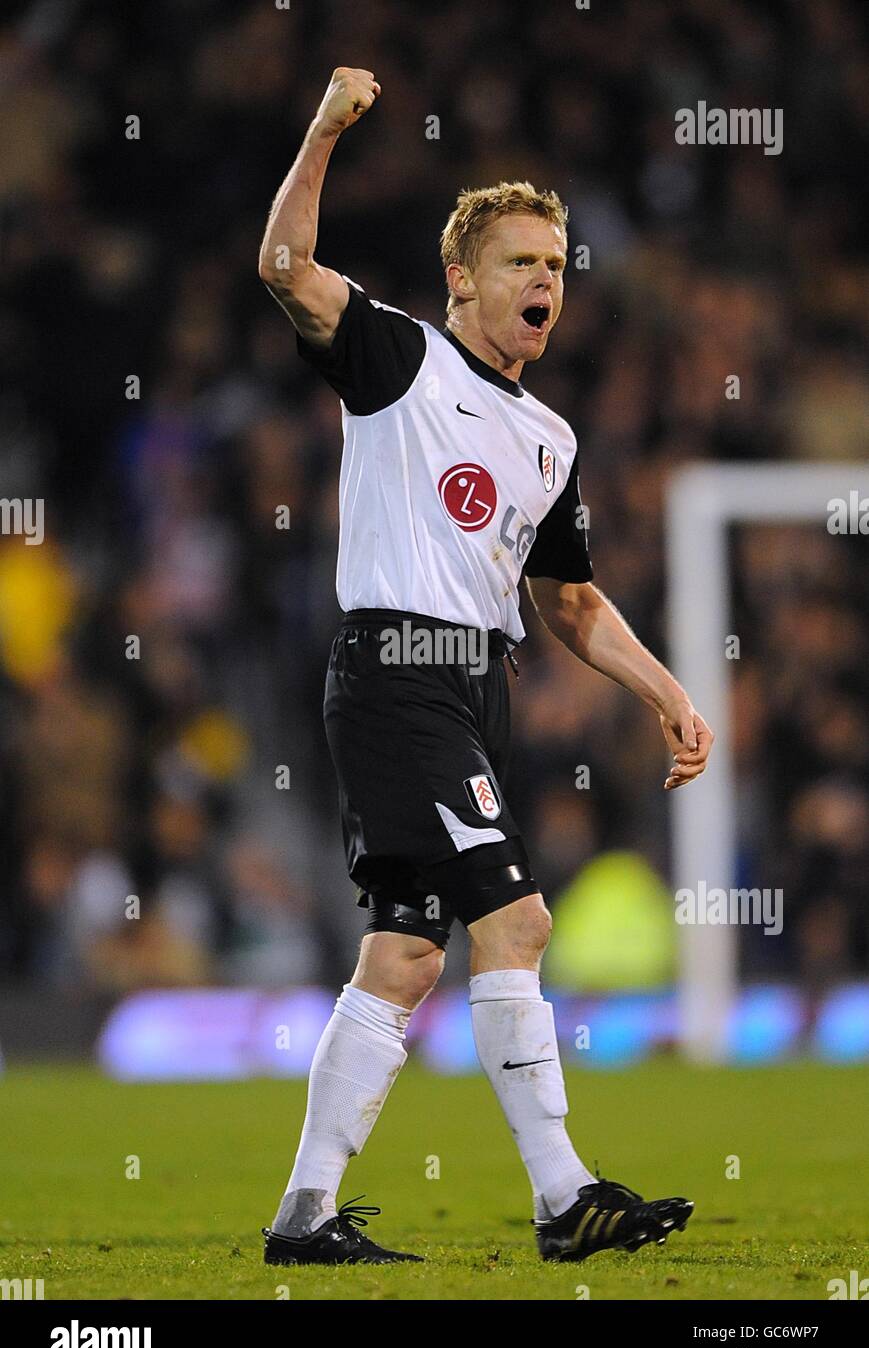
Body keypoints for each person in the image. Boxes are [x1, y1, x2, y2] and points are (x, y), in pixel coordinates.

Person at [257, 68, 713, 1265]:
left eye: (556, 266)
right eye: (520, 263)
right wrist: (322, 133)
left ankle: (302, 1217)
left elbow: (567, 599)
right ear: (462, 276)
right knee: (515, 920)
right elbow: (283, 270)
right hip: (397, 669)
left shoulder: (549, 437)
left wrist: (667, 694)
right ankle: (564, 1197)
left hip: (474, 684)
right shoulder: (399, 361)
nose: (543, 284)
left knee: (405, 951)